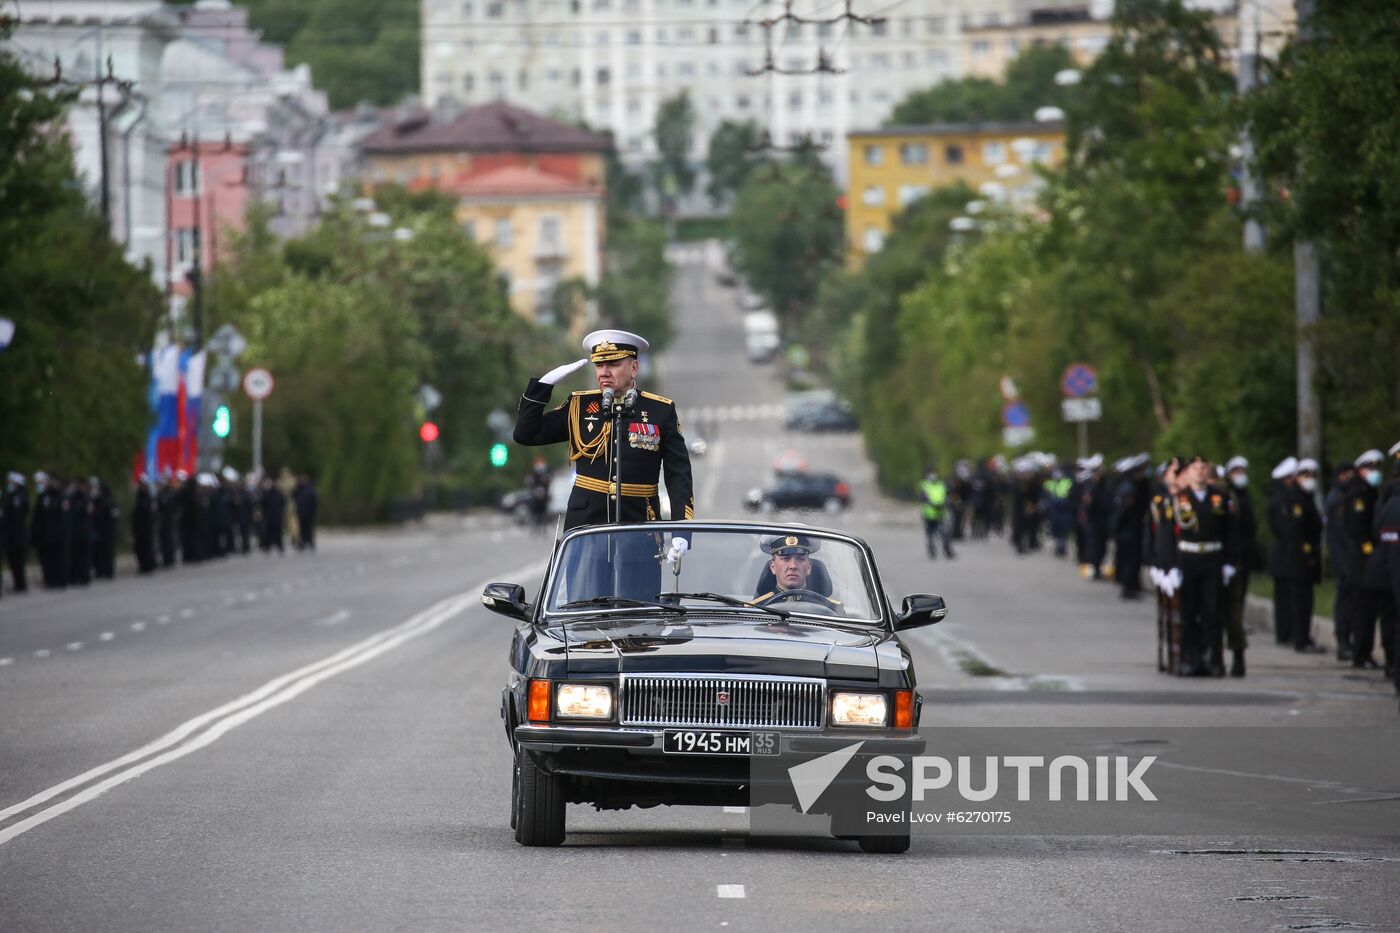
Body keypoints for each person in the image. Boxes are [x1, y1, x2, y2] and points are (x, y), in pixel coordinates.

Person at [513, 329, 694, 531]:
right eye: (599, 365)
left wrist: (682, 529)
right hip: (585, 525)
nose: (604, 372)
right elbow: (526, 434)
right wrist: (543, 386)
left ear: (634, 368)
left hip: (639, 523)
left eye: (614, 364)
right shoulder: (579, 405)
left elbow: (678, 473)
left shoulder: (660, 410)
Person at [1165, 456, 1236, 677]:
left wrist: (1229, 562)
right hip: (1188, 557)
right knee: (1188, 612)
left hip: (1213, 557)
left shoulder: (1221, 498)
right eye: (1195, 468)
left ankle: (1213, 659)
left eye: (1204, 468)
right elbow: (1169, 535)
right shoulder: (1179, 499)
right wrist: (1171, 566)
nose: (1200, 472)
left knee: (1213, 612)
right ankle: (1190, 659)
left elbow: (1230, 532)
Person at [1270, 457, 1325, 652]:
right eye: (1305, 475)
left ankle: (1300, 636)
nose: (1310, 479)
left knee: (1303, 600)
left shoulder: (1304, 497)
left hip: (1303, 559)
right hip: (1298, 559)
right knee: (1299, 600)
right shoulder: (1295, 499)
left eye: (1313, 475)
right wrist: (1307, 553)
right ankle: (1300, 639)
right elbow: (1294, 531)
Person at [1347, 450, 1386, 670]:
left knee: (1369, 611)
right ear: (1361, 470)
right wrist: (1371, 550)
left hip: (1369, 560)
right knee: (1362, 610)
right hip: (1361, 560)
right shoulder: (1357, 495)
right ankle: (1360, 653)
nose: (1375, 473)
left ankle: (1365, 652)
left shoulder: (1371, 492)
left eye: (1377, 468)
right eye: (1370, 468)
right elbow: (1358, 529)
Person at [1222, 456, 1257, 676]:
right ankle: (1212, 656)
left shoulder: (1240, 498)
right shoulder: (1225, 499)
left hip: (1235, 561)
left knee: (1234, 611)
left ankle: (1237, 657)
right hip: (1216, 560)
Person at [751, 534, 843, 612]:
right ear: (773, 567)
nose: (793, 566)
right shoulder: (755, 609)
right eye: (785, 559)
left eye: (800, 559)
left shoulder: (832, 610)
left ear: (809, 567)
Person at [1327, 461, 1359, 661]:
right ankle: (1343, 640)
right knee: (1345, 602)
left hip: (1350, 560)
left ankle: (1349, 640)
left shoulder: (1346, 496)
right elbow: (1341, 536)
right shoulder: (1337, 499)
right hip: (1344, 560)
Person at [1111, 454, 1151, 600]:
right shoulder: (1129, 489)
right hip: (1129, 531)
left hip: (1132, 530)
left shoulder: (1134, 486)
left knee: (1134, 560)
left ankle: (1133, 585)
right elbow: (1123, 511)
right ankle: (1128, 588)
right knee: (1131, 561)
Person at [920, 466, 954, 559]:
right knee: (930, 534)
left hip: (941, 513)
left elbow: (946, 496)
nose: (933, 475)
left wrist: (946, 502)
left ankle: (948, 551)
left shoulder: (941, 485)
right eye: (931, 473)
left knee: (945, 533)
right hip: (929, 514)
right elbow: (923, 498)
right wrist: (932, 504)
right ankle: (931, 550)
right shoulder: (925, 485)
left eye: (934, 473)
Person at [4, 472, 27, 594]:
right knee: (13, 561)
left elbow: (17, 517)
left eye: (11, 483)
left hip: (18, 535)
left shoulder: (20, 497)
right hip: (12, 536)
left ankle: (21, 584)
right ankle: (18, 584)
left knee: (18, 561)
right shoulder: (11, 496)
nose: (9, 484)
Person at [91, 478, 118, 580]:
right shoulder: (96, 501)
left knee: (108, 553)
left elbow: (113, 517)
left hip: (108, 532)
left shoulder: (110, 501)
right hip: (98, 531)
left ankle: (108, 571)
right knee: (98, 553)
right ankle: (100, 571)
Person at [133, 475, 159, 574]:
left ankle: (149, 566)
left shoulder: (149, 499)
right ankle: (142, 566)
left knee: (148, 548)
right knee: (139, 549)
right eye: (140, 485)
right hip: (139, 529)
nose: (141, 487)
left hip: (147, 529)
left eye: (143, 485)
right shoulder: (138, 498)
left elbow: (152, 515)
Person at [294, 474, 319, 551]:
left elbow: (314, 502)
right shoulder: (299, 490)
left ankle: (310, 543)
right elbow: (293, 495)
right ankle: (302, 543)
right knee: (302, 529)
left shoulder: (311, 489)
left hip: (309, 513)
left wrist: (313, 512)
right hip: (301, 513)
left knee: (309, 529)